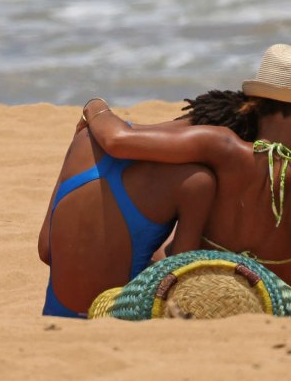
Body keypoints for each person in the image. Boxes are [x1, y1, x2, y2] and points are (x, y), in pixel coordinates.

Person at [78, 44, 291, 312]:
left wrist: (95, 107)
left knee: (169, 243)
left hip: (203, 286)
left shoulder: (220, 146)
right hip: (269, 293)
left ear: (254, 103)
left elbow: (117, 140)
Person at [38, 128, 217, 318]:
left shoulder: (86, 139)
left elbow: (46, 249)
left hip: (57, 314)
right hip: (119, 314)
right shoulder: (195, 181)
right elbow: (176, 280)